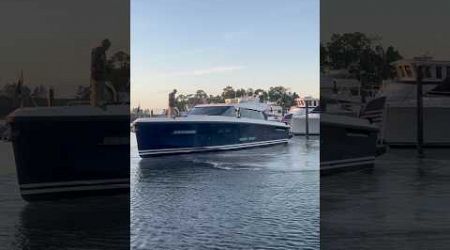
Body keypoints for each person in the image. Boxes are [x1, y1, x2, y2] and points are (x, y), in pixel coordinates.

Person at [91, 39, 115, 107]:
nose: (108, 48)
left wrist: (107, 69)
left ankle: (99, 101)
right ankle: (97, 102)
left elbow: (103, 63)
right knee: (98, 89)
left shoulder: (102, 52)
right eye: (108, 46)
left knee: (101, 88)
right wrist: (97, 70)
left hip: (100, 74)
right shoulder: (98, 51)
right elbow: (95, 62)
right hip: (98, 74)